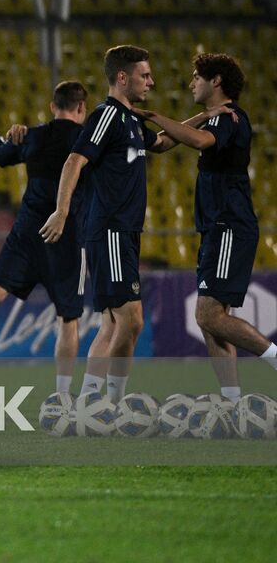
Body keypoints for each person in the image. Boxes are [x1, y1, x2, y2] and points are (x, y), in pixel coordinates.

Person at [130, 53, 277, 395]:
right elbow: (164, 146)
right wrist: (199, 116)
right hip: (216, 228)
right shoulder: (214, 118)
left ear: (216, 81)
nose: (191, 82)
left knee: (209, 315)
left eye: (197, 76)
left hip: (229, 225)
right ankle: (231, 402)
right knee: (211, 319)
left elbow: (199, 141)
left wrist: (152, 114)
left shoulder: (231, 117)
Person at [41, 45, 175, 405]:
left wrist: (200, 122)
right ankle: (113, 404)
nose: (151, 81)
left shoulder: (131, 120)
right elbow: (74, 160)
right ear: (122, 77)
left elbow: (161, 143)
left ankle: (88, 401)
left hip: (125, 232)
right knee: (131, 320)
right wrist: (61, 210)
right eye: (144, 75)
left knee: (112, 324)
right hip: (111, 229)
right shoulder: (106, 115)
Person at [0, 81, 90, 398]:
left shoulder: (32, 135)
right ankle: (62, 393)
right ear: (82, 107)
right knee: (68, 318)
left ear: (52, 106)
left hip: (27, 229)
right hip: (66, 232)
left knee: (0, 290)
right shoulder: (87, 139)